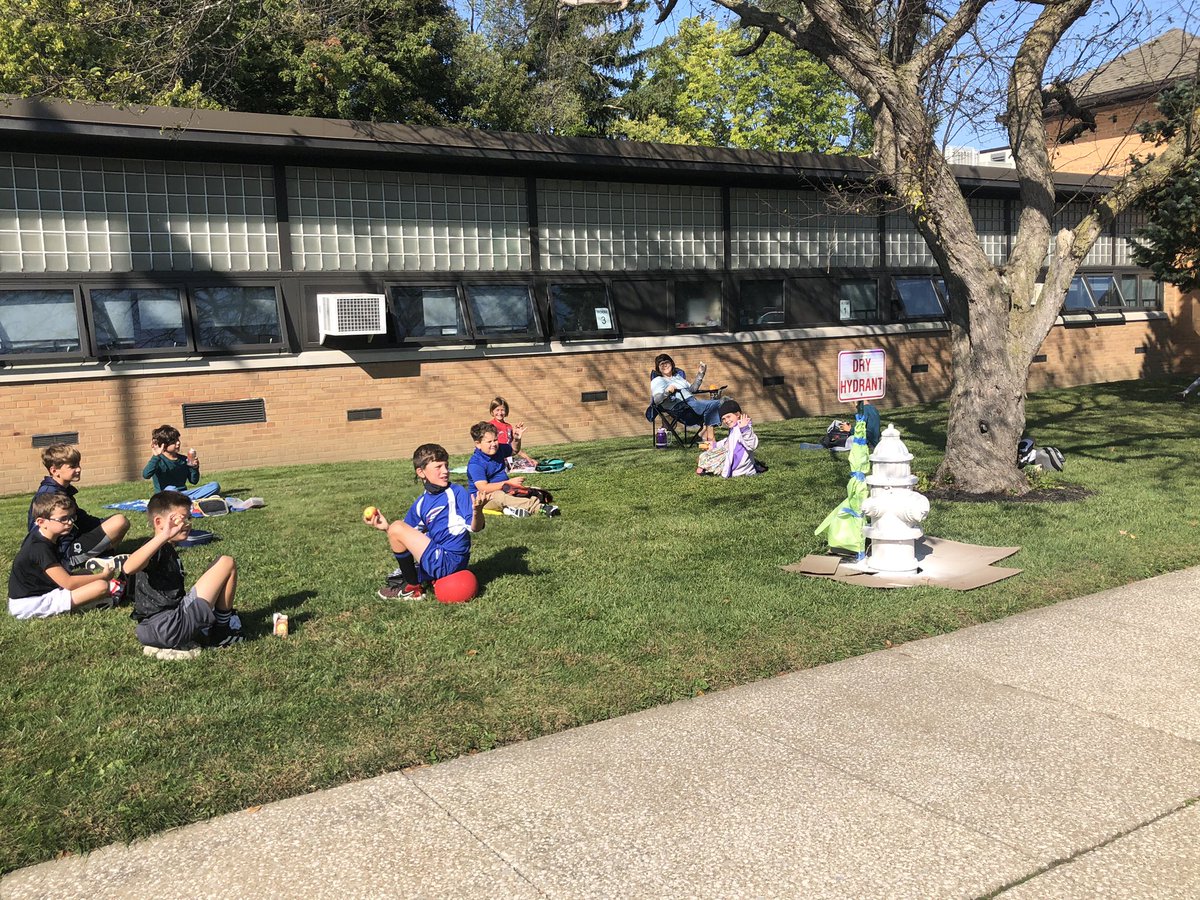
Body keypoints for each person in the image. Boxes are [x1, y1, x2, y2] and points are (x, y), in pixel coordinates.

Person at [124, 490, 243, 652]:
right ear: (159, 522)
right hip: (168, 625)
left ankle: (215, 624)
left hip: (150, 629)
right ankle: (221, 632)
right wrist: (164, 535)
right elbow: (129, 567)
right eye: (180, 519)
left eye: (189, 518)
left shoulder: (162, 549)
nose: (187, 524)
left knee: (215, 569)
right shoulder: (155, 548)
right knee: (225, 562)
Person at [367, 443, 488, 600]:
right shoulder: (421, 503)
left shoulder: (456, 492)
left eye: (446, 465)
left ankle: (412, 589)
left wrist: (477, 512)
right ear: (421, 472)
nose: (445, 471)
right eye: (438, 467)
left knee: (397, 528)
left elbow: (476, 527)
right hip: (439, 555)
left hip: (451, 559)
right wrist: (386, 528)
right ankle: (420, 579)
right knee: (396, 537)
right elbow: (405, 536)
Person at [9, 492, 122, 619]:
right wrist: (103, 576)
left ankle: (83, 601)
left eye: (71, 517)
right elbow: (68, 583)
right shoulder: (39, 548)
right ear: (41, 522)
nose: (69, 522)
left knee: (86, 573)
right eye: (63, 519)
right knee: (101, 586)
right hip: (30, 604)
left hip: (45, 590)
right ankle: (84, 606)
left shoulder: (48, 537)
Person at [28, 443, 130, 569]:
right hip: (65, 552)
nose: (78, 469)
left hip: (74, 539)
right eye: (72, 466)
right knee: (119, 522)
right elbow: (37, 532)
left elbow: (82, 520)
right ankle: (86, 560)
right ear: (54, 471)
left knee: (119, 521)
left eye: (78, 464)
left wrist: (103, 524)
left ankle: (102, 557)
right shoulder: (49, 496)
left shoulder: (62, 490)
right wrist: (53, 560)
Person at [467, 422, 560, 518]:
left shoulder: (499, 450)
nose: (494, 444)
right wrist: (508, 483)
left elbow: (514, 450)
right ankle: (538, 507)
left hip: (506, 490)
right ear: (478, 444)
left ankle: (513, 508)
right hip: (484, 499)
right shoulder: (476, 464)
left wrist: (516, 439)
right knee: (500, 496)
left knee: (535, 491)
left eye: (495, 440)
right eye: (489, 442)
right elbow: (483, 488)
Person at [650, 353, 721, 445]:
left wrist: (701, 373)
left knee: (719, 404)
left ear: (671, 363)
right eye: (661, 364)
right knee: (714, 404)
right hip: (682, 408)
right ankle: (710, 438)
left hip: (691, 404)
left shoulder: (678, 377)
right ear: (658, 368)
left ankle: (705, 434)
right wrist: (666, 392)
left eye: (667, 362)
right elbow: (657, 400)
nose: (665, 365)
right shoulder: (657, 381)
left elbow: (692, 389)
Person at [696, 399, 761, 477]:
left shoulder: (744, 429)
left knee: (704, 458)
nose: (726, 420)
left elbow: (752, 445)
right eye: (723, 419)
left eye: (728, 416)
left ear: (737, 414)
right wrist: (714, 445)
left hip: (739, 469)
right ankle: (705, 468)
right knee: (703, 456)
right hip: (731, 460)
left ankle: (705, 470)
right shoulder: (734, 428)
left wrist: (745, 430)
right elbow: (728, 441)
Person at [142, 425, 201, 493]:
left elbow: (194, 481)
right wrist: (155, 457)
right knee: (171, 489)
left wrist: (194, 468)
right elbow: (146, 475)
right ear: (163, 445)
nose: (178, 443)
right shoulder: (158, 460)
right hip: (165, 495)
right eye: (173, 442)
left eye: (178, 439)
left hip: (183, 494)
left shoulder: (184, 459)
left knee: (211, 487)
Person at [489, 397, 538, 471]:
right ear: (492, 411)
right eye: (497, 410)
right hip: (496, 460)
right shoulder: (489, 426)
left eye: (502, 410)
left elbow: (513, 448)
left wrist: (528, 458)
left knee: (532, 465)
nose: (500, 413)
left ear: (506, 411)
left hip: (508, 460)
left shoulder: (508, 427)